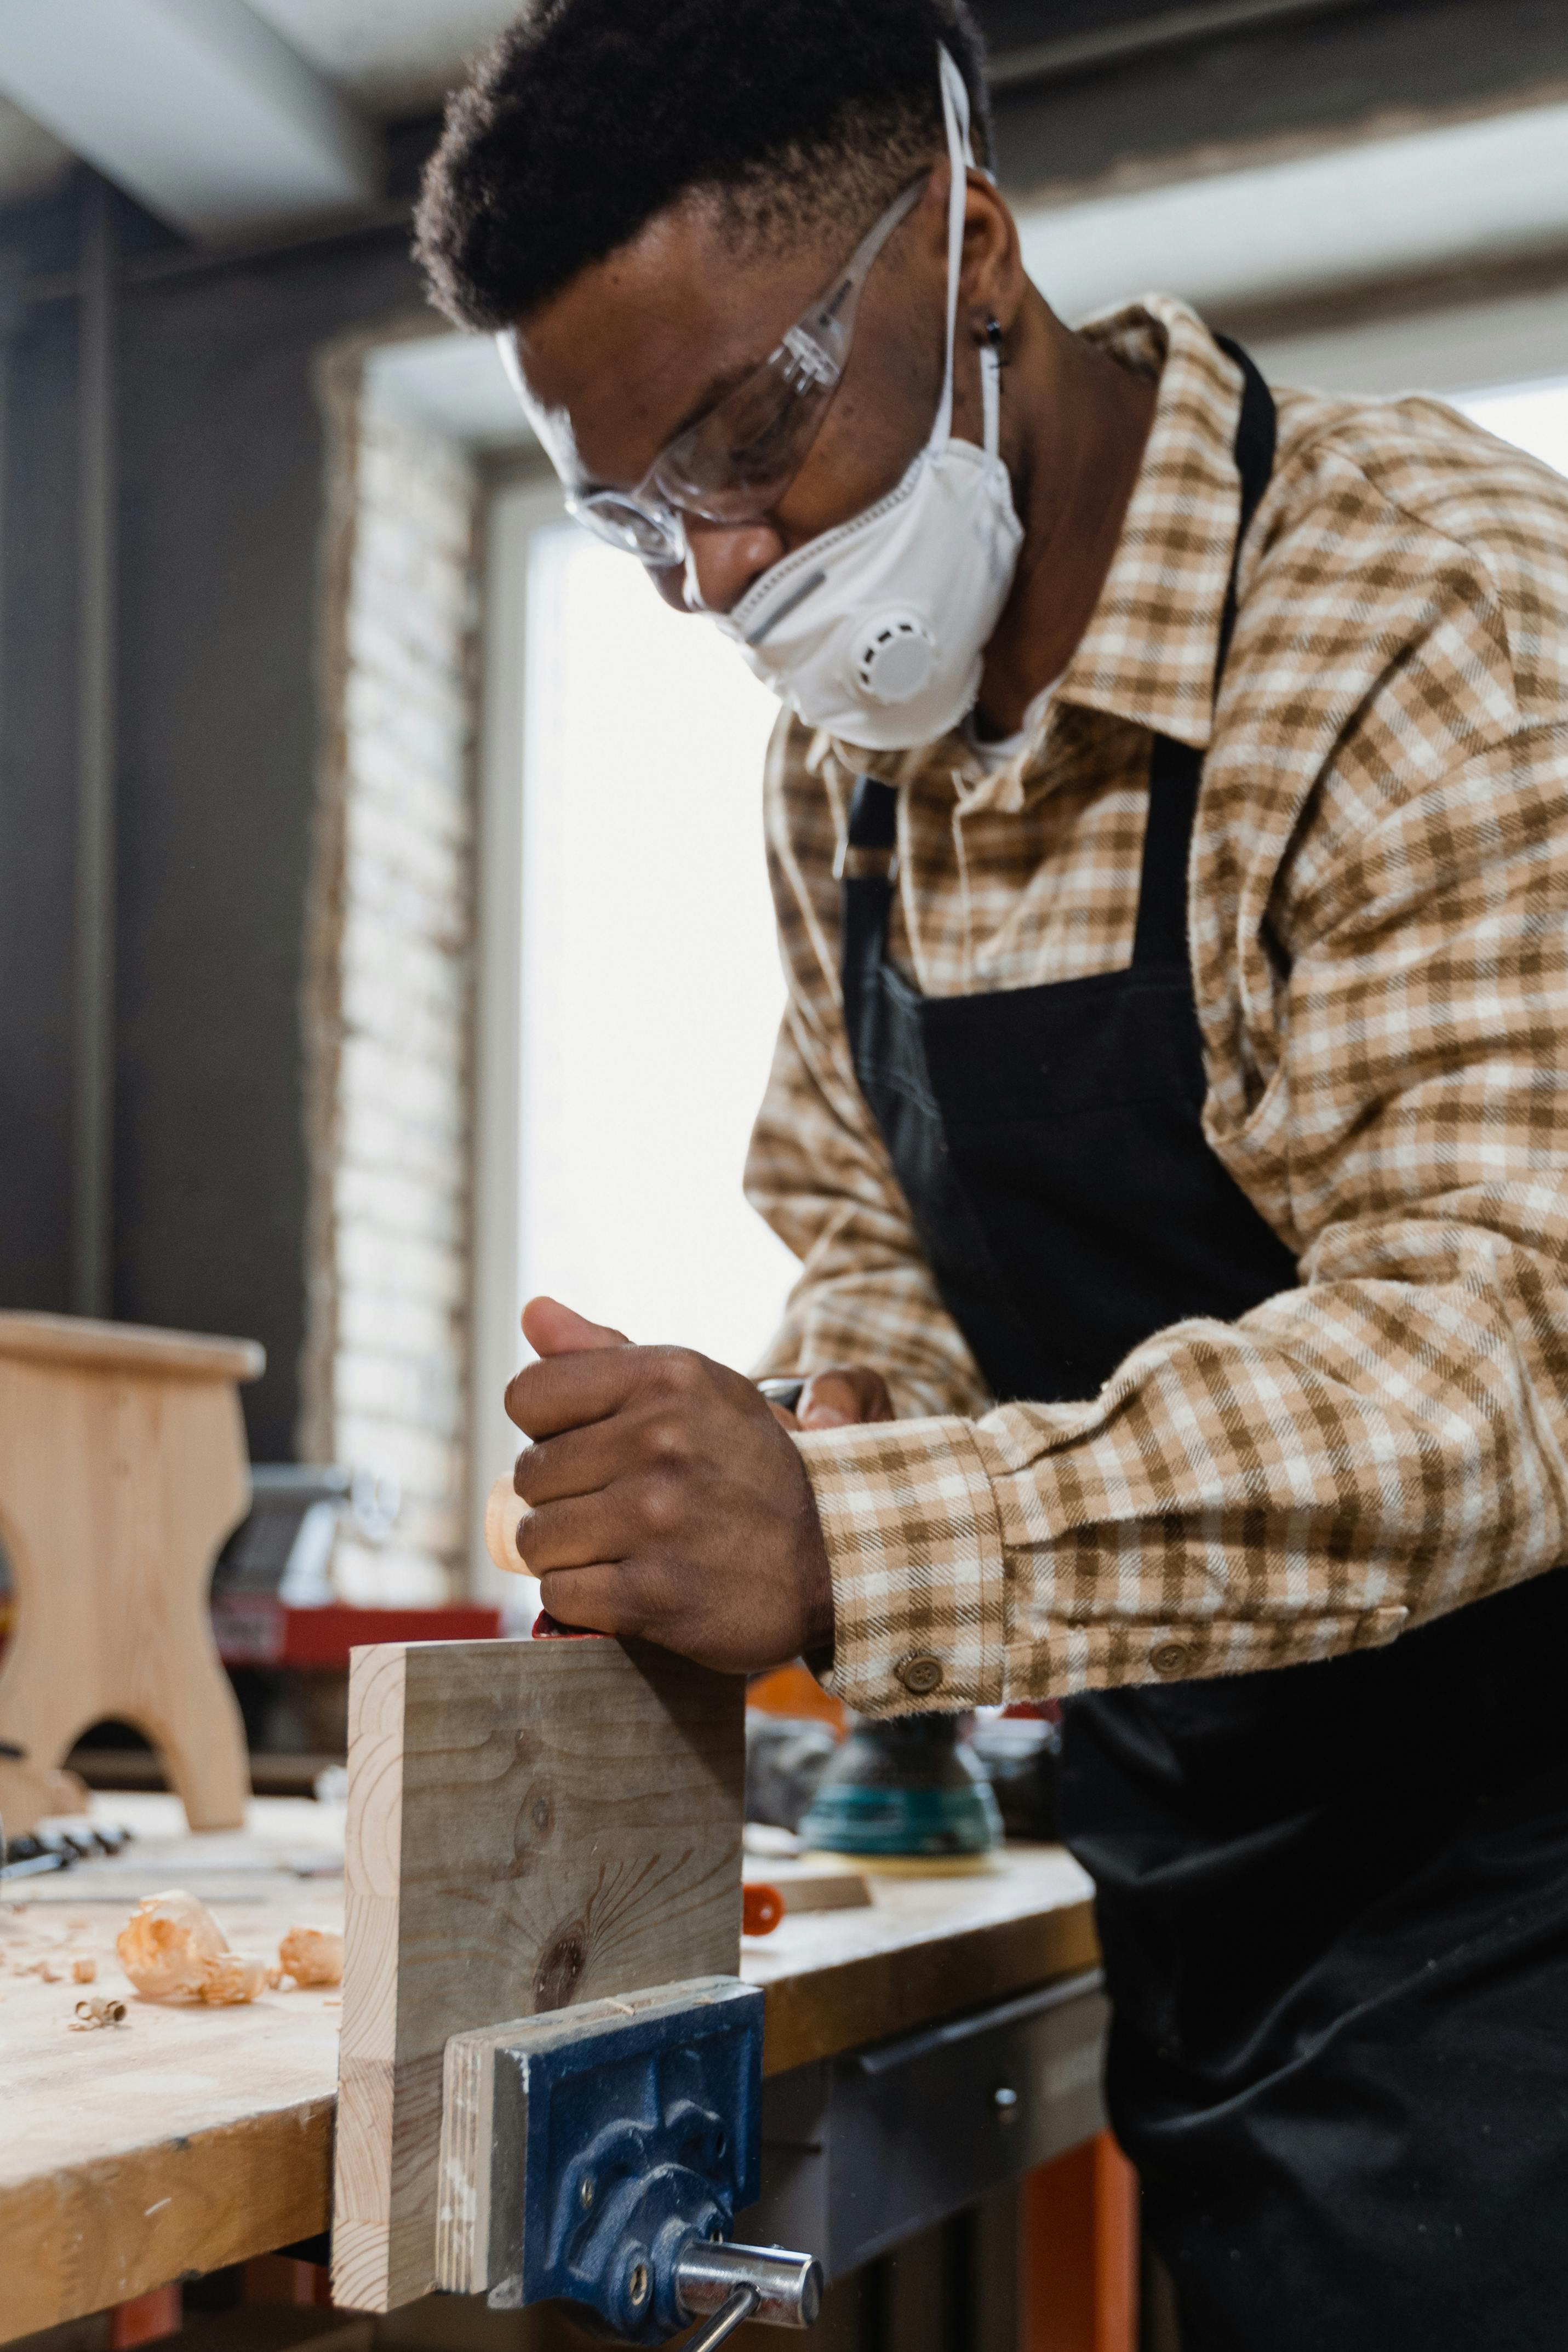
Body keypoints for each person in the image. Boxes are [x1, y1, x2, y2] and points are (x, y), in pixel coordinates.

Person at [415, 4, 1568, 2343]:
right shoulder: (845, 766)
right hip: (1217, 1894)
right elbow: (871, 1231)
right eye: (638, 515)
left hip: (1527, 1902)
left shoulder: (1418, 608)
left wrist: (846, 1536)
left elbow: (1495, 1358)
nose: (719, 575)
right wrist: (794, 1431)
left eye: (746, 438)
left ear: (968, 248)